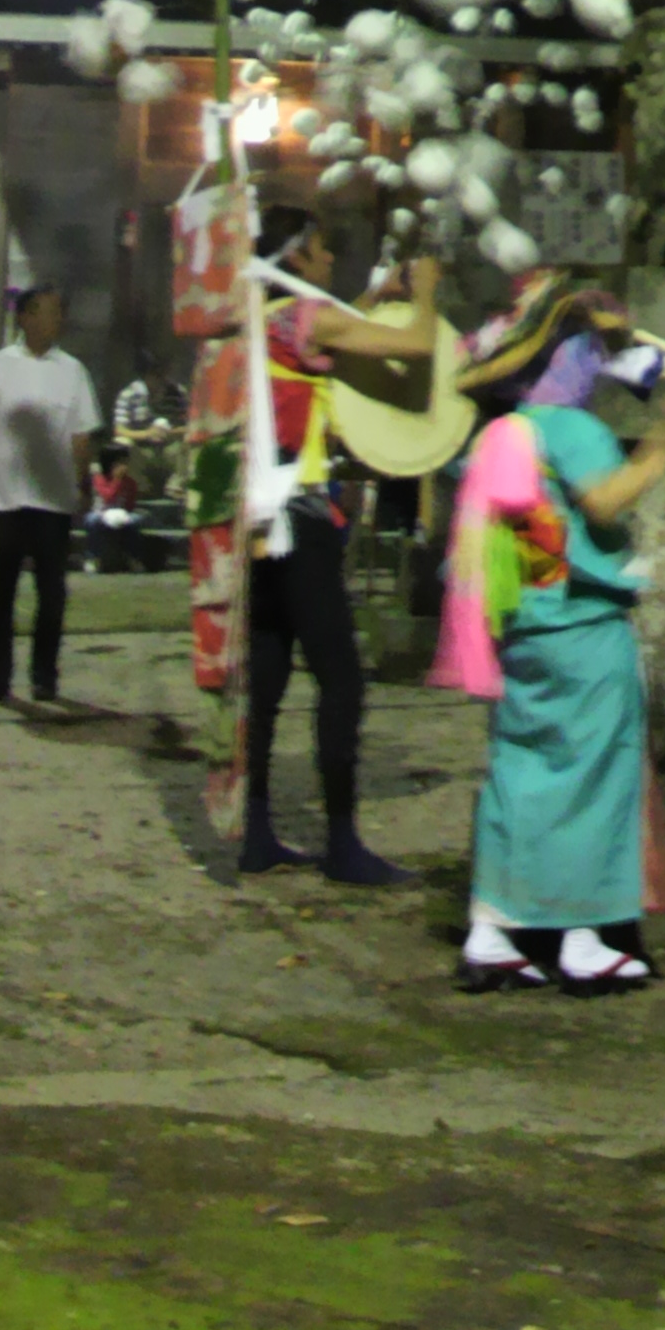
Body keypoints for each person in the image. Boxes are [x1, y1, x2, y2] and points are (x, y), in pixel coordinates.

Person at [433, 332, 665, 996]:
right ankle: (585, 939)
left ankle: (493, 929)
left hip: (523, 624)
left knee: (521, 771)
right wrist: (664, 446)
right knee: (598, 778)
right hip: (582, 624)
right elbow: (604, 500)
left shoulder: (497, 434)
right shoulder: (567, 427)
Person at [242, 222, 441, 884]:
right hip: (301, 518)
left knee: (267, 679)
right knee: (342, 681)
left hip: (254, 519)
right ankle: (342, 843)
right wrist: (426, 295)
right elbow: (414, 345)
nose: (330, 260)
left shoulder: (256, 319)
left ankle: (258, 830)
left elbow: (326, 333)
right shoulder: (310, 317)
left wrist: (370, 294)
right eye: (324, 250)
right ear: (295, 256)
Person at [0, 286, 100, 703]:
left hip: (52, 502)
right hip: (5, 497)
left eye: (60, 314)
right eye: (47, 312)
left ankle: (45, 676)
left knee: (52, 595)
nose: (55, 321)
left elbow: (81, 437)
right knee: (1, 593)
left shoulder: (73, 371)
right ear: (24, 317)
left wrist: (83, 486)